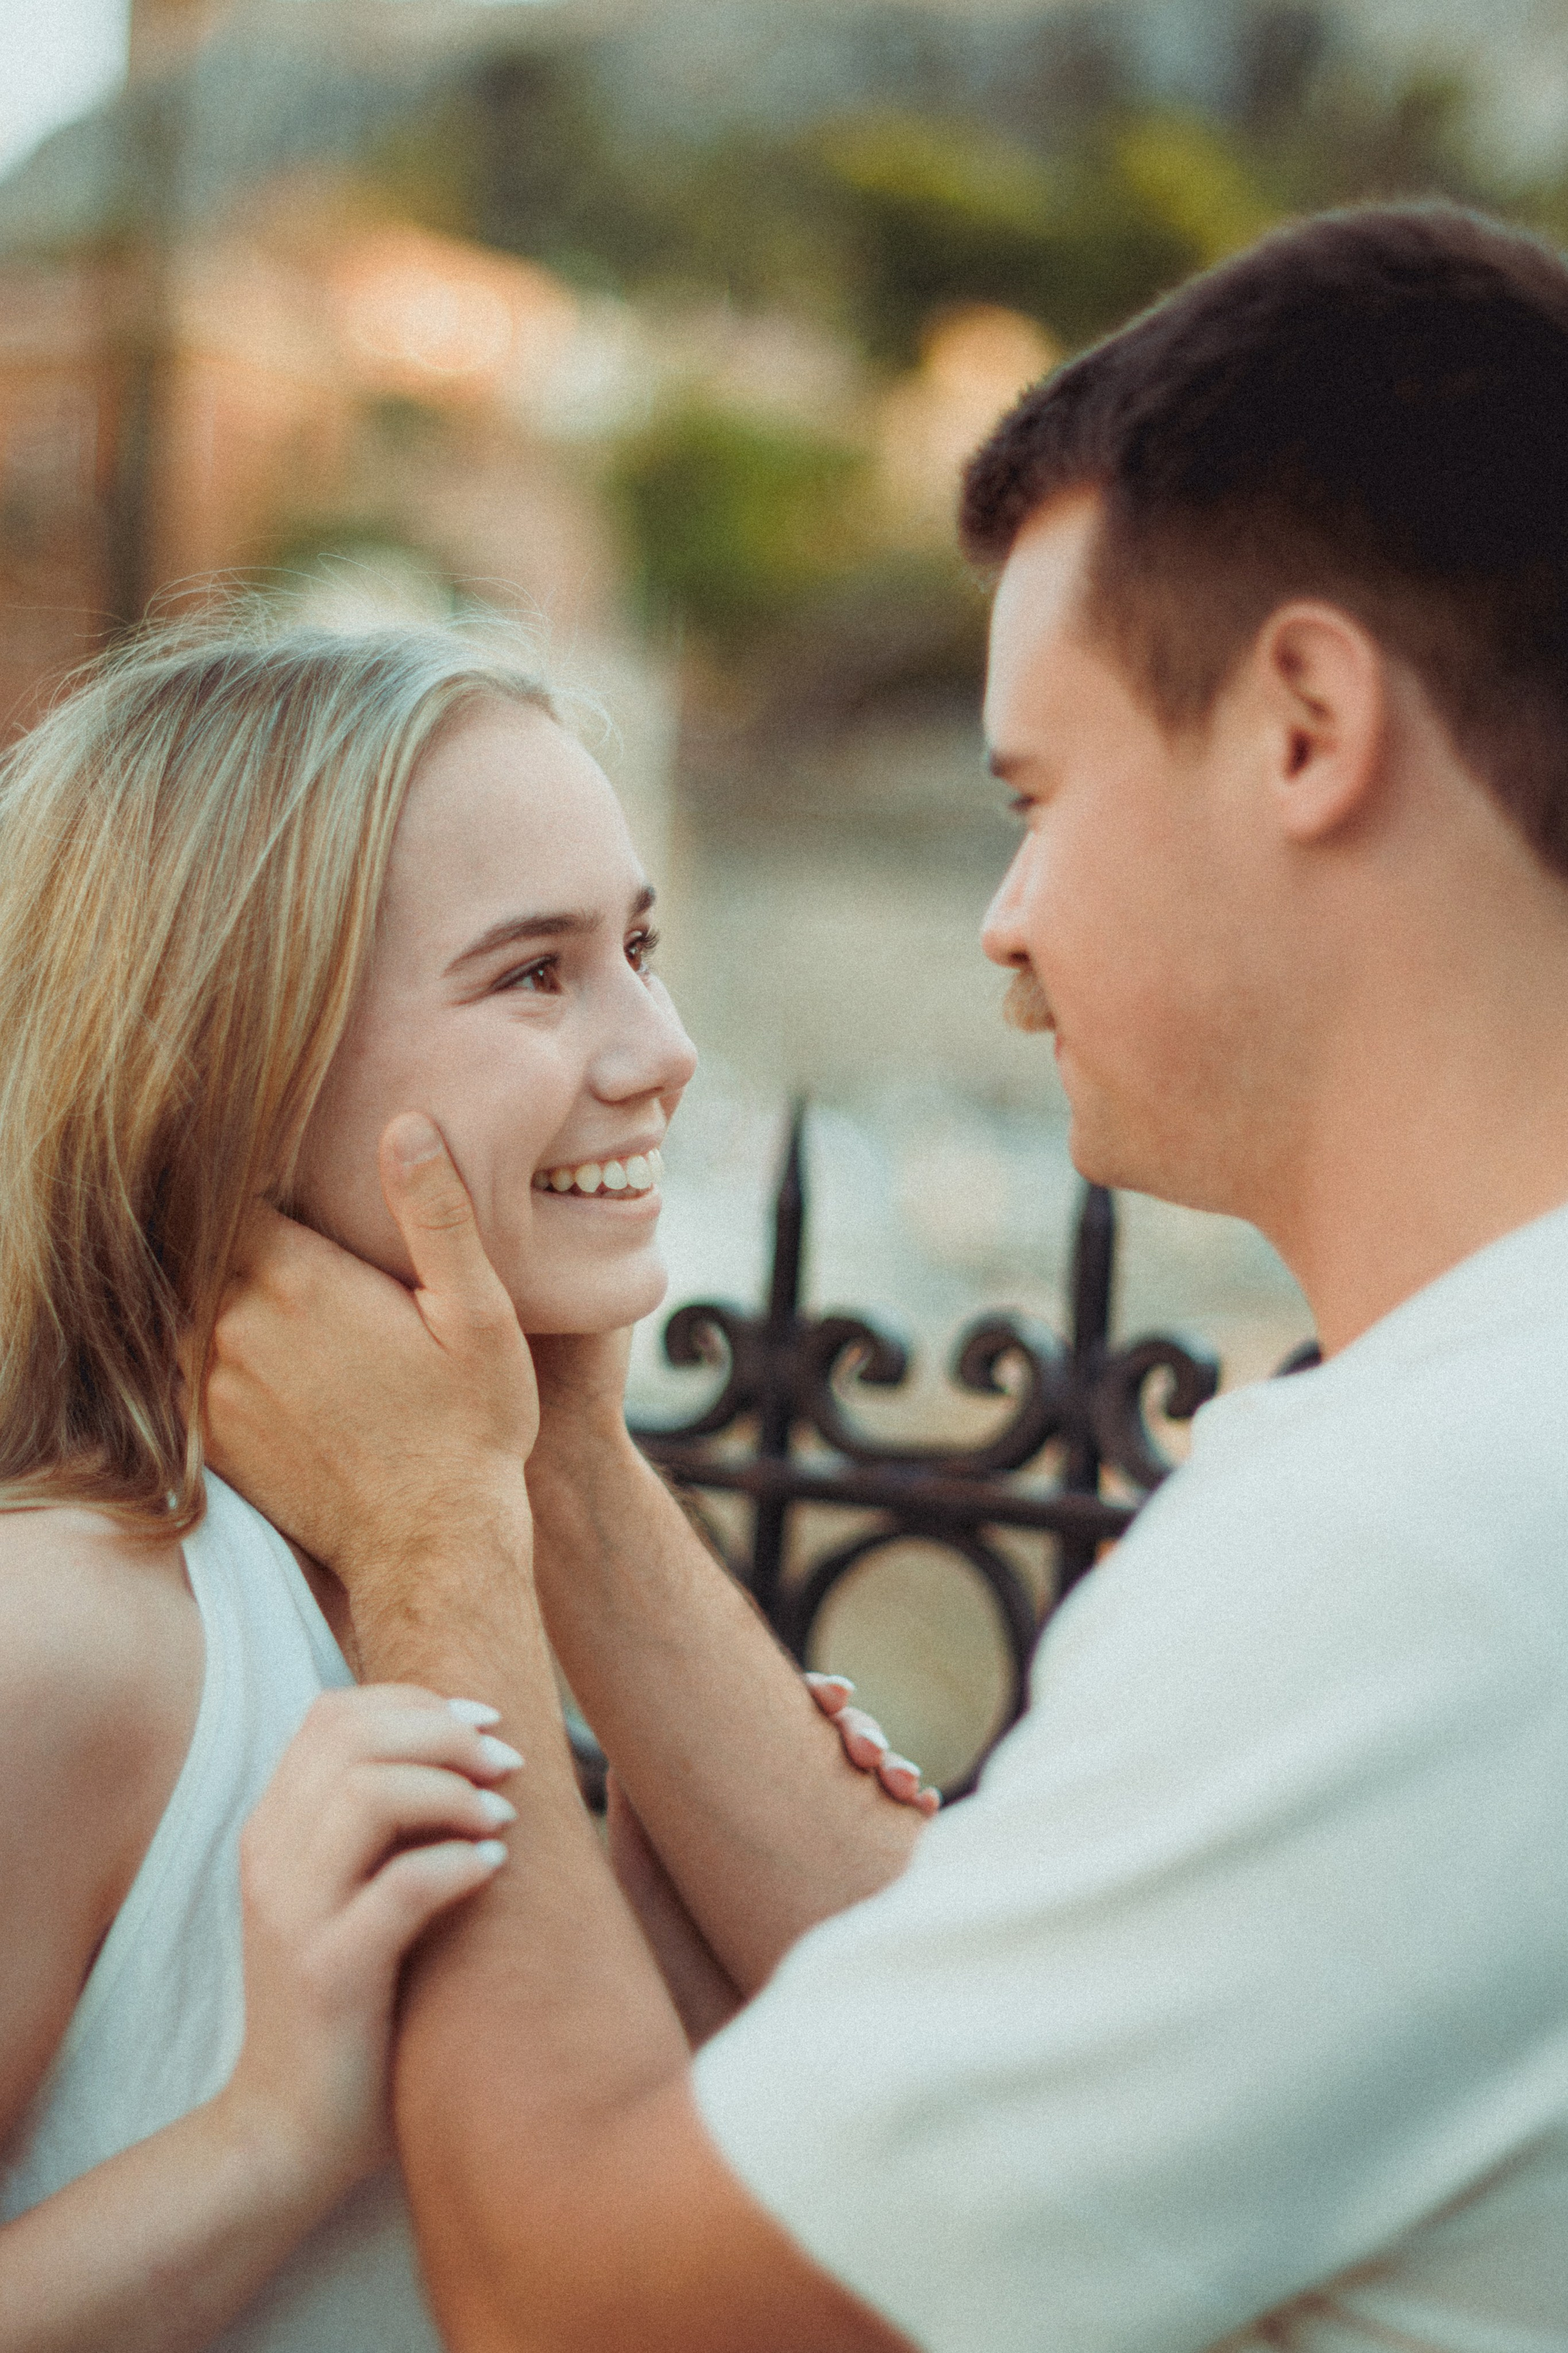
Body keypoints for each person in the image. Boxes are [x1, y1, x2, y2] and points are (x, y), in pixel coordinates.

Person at [202, 198, 1568, 2353]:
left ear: (1307, 723)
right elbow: (984, 2017)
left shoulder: (1428, 1545)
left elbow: (590, 2304)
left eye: (1037, 792)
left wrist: (423, 1536)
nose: (1005, 918)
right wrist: (550, 1461)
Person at [0, 620, 925, 2352]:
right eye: (534, 975)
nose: (661, 1048)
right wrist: (272, 2137)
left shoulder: (448, 1586)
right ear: (232, 1074)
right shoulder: (62, 1636)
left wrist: (677, 1960)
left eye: (640, 947)